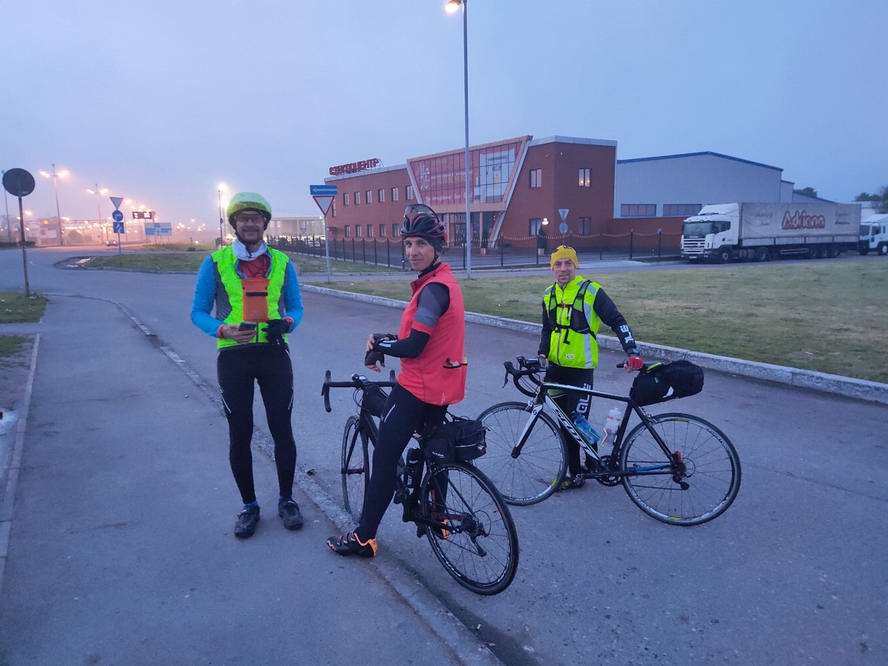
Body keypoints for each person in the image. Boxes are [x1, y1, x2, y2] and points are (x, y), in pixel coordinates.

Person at [326, 204, 467, 558]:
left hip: (417, 388)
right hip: (441, 386)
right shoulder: (441, 283)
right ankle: (437, 515)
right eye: (408, 244)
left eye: (421, 243)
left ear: (437, 246)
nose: (413, 251)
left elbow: (415, 346)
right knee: (433, 448)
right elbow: (423, 334)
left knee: (385, 462)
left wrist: (380, 346)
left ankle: (363, 538)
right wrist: (386, 339)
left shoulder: (434, 290)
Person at [190, 192, 304, 538]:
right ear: (234, 224)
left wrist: (287, 323)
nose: (250, 223)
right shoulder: (215, 262)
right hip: (233, 357)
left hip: (273, 355)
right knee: (239, 433)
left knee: (281, 429)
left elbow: (296, 309)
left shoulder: (283, 262)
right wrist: (221, 329)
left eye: (256, 218)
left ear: (265, 224)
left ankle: (286, 500)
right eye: (244, 218)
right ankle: (249, 506)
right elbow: (197, 312)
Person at [538, 244, 643, 490]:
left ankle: (591, 463)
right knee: (565, 426)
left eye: (568, 263)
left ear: (576, 266)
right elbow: (547, 329)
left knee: (578, 422)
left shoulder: (591, 291)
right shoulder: (548, 294)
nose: (563, 268)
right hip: (555, 369)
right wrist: (541, 353)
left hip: (580, 371)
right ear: (551, 267)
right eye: (558, 264)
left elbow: (617, 320)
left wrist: (632, 350)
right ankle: (576, 473)